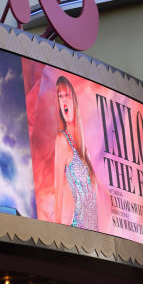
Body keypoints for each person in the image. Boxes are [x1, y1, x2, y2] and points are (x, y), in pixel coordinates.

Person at [52, 76, 97, 230]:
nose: (64, 100)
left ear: (75, 101)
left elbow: (93, 201)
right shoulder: (61, 140)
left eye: (67, 95)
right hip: (78, 234)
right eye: (60, 96)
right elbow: (57, 191)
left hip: (94, 237)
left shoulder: (85, 151)